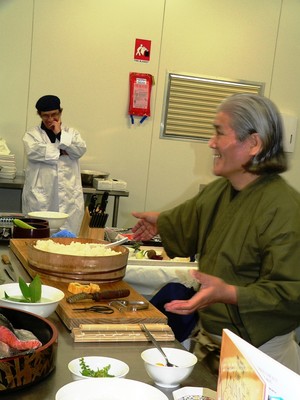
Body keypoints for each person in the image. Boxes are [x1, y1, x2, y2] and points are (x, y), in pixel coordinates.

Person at [132, 93, 300, 374]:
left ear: (254, 143)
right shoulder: (220, 191)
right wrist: (161, 221)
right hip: (212, 343)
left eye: (219, 133)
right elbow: (189, 221)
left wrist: (230, 293)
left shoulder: (285, 208)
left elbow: (291, 291)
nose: (211, 143)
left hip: (261, 356)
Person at [22, 95, 87, 234]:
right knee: (40, 238)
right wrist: (63, 150)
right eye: (46, 116)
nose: (50, 119)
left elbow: (79, 150)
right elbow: (33, 151)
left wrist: (59, 134)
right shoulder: (31, 135)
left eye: (54, 114)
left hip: (69, 196)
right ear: (40, 115)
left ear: (60, 112)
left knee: (67, 241)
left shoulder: (72, 133)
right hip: (41, 197)